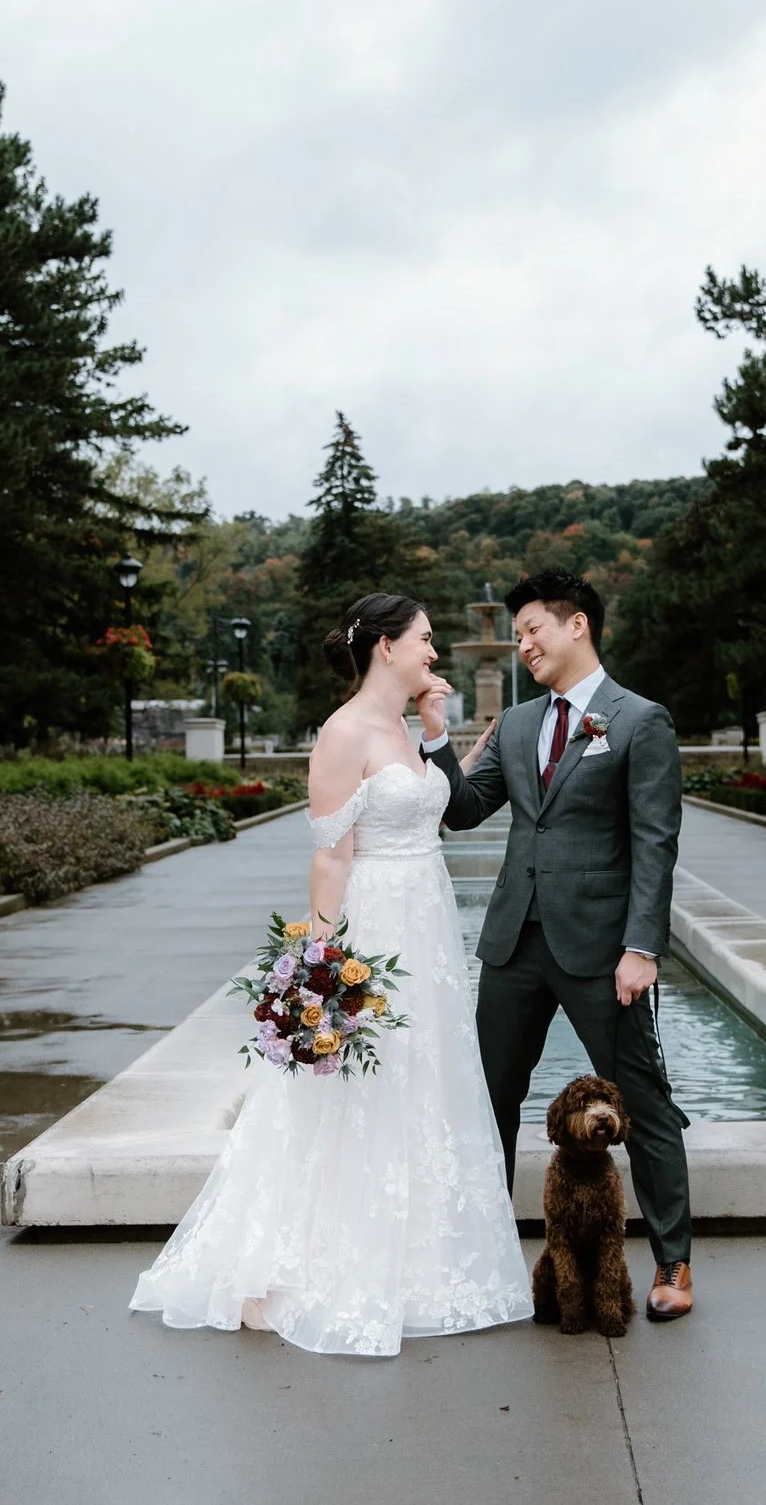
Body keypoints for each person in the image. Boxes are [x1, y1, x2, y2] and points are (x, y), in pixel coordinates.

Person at [129, 593, 532, 1356]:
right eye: (424, 638)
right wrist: (321, 967)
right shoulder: (343, 732)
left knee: (426, 1080)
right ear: (385, 646)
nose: (435, 652)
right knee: (358, 1091)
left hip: (430, 925)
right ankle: (311, 1262)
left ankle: (424, 1263)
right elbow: (331, 854)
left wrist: (444, 736)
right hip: (378, 923)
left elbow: (438, 809)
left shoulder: (406, 727)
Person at [425, 570, 695, 1320]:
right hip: (514, 941)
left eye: (532, 629)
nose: (523, 644)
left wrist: (642, 944)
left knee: (644, 1100)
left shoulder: (640, 721)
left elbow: (655, 843)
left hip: (603, 948)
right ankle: (480, 1261)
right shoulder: (514, 725)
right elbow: (466, 810)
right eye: (515, 635)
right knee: (491, 1103)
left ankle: (674, 1264)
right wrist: (440, 738)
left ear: (577, 626)